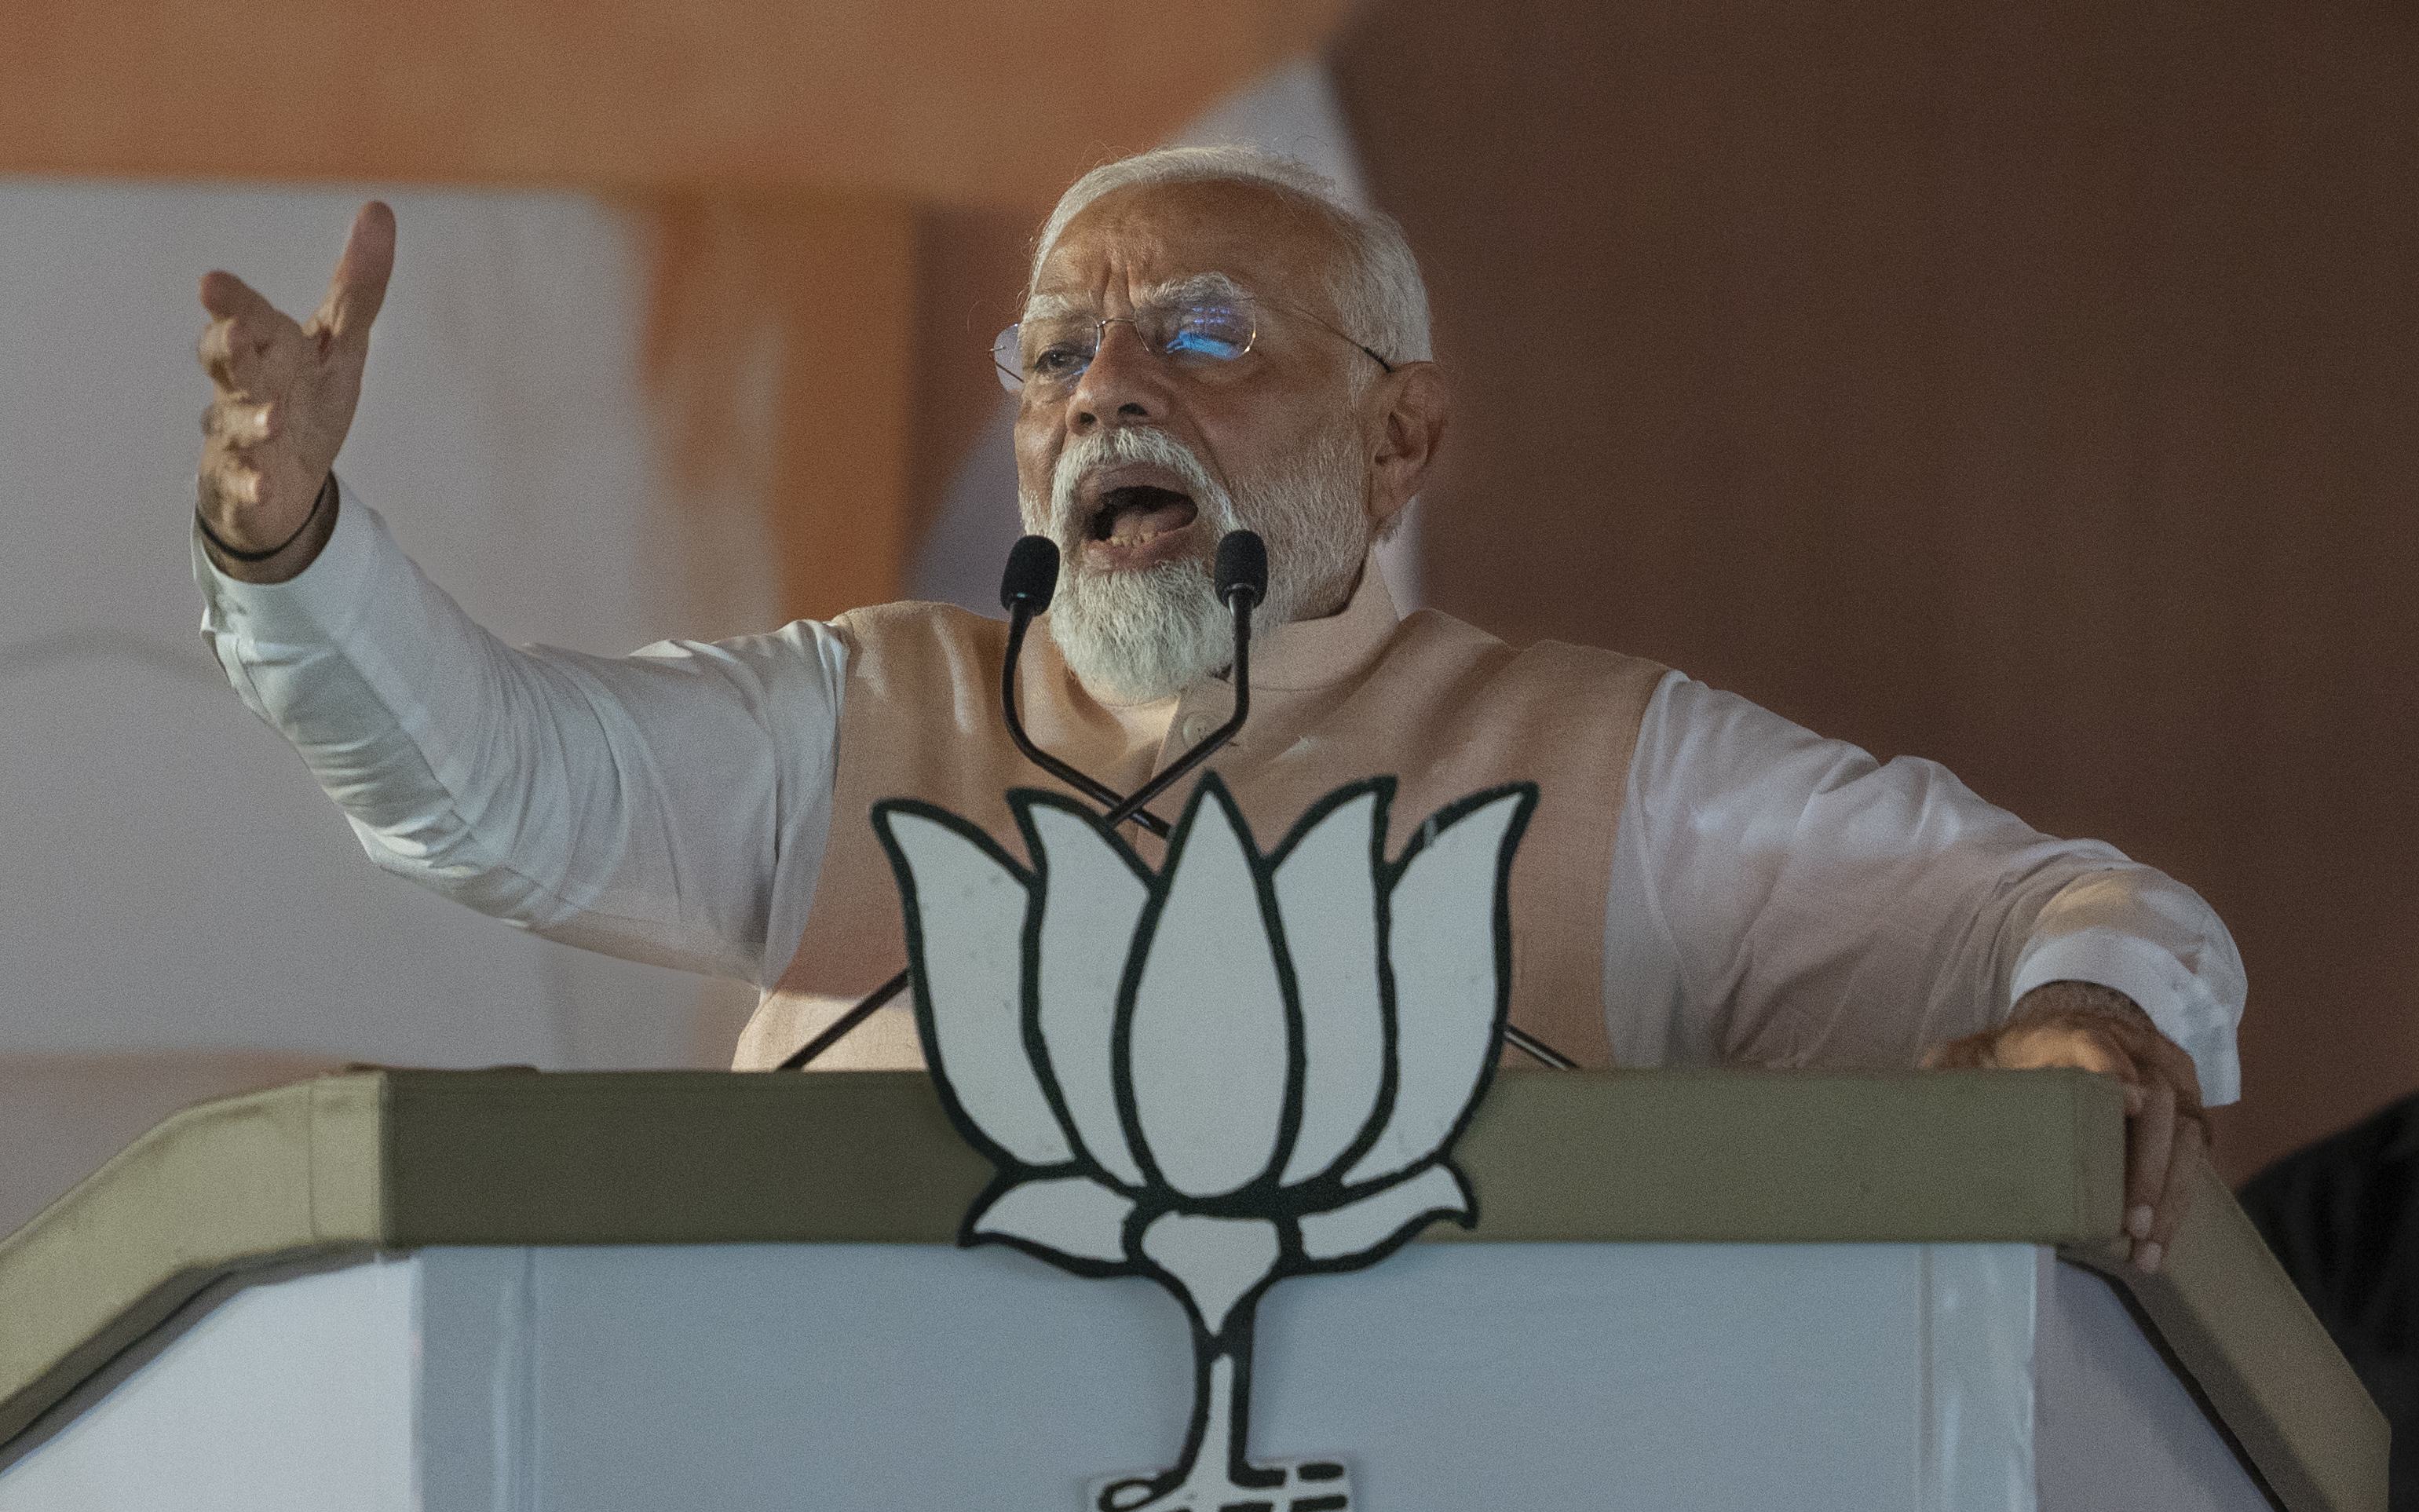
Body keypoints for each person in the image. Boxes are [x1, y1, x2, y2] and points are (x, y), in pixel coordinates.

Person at [188, 147, 2238, 1276]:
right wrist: (291, 552)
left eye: (1202, 335)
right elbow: (500, 784)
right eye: (1054, 355)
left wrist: (2088, 1011)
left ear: (1399, 436)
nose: (1105, 393)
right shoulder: (867, 716)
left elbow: (2058, 908)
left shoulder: (1603, 765)